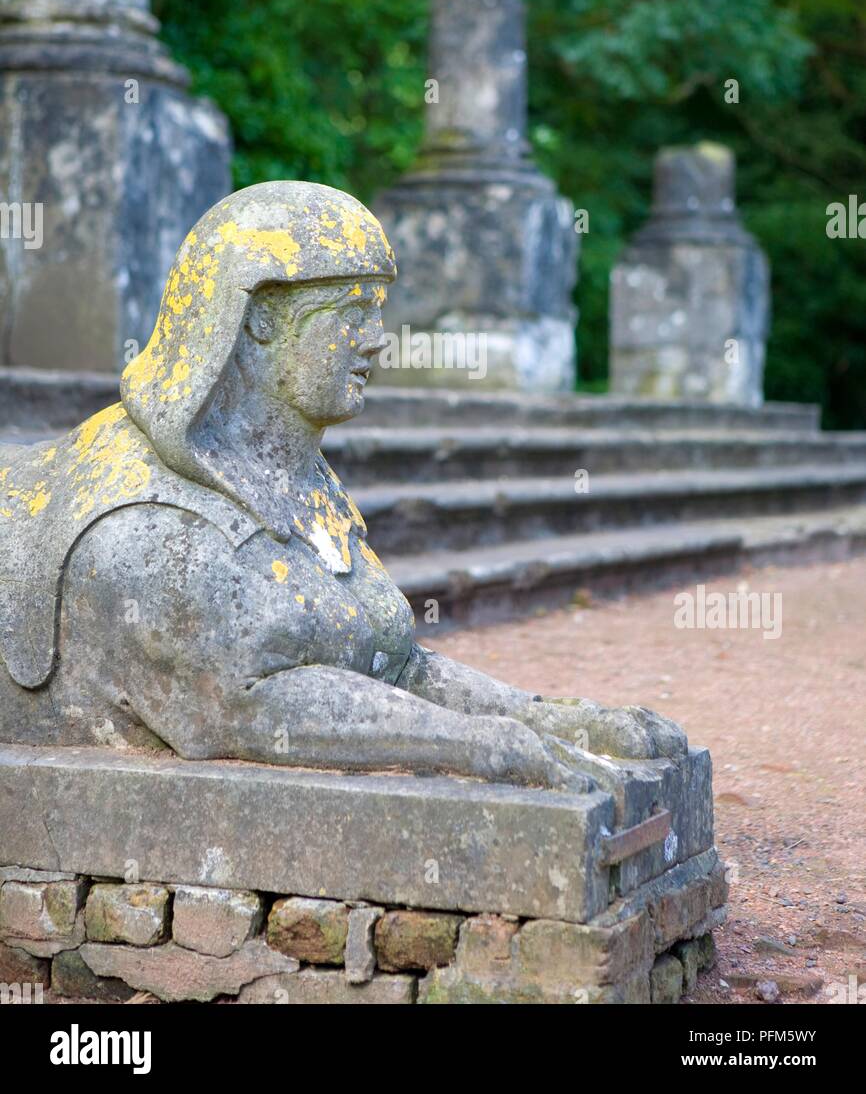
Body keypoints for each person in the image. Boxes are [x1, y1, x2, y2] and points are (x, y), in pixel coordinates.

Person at [0, 181, 685, 787]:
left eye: (376, 311)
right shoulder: (148, 528)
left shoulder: (304, 483)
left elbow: (389, 663)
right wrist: (483, 745)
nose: (376, 339)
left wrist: (550, 719)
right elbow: (243, 703)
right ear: (263, 317)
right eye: (351, 312)